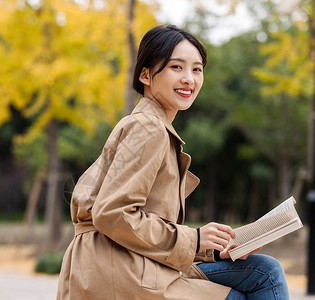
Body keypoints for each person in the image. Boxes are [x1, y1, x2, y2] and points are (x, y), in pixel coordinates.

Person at [56, 24, 289, 300]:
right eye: (176, 67)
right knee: (250, 286)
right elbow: (112, 213)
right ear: (145, 74)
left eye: (197, 69)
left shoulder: (150, 124)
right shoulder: (149, 127)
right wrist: (195, 238)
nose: (189, 79)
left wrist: (210, 246)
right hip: (117, 267)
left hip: (127, 261)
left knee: (265, 271)